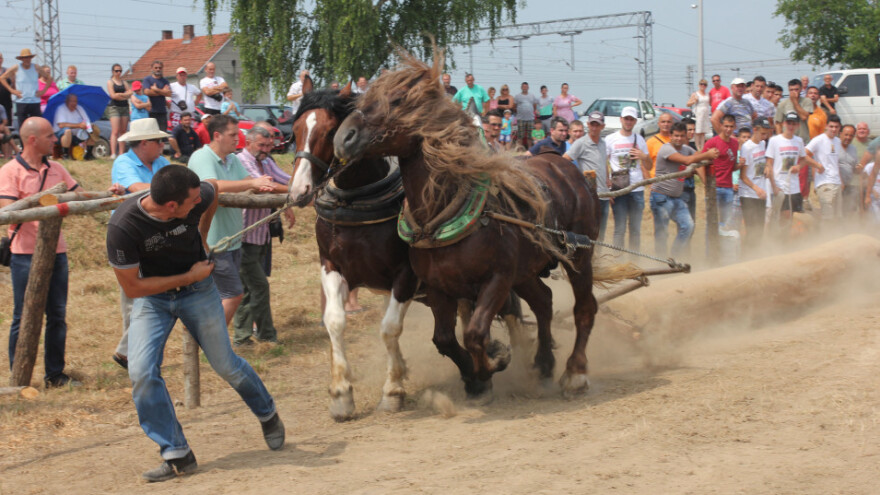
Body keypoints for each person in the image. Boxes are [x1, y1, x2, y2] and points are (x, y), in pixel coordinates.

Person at [106, 165, 285, 482]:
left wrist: (202, 232)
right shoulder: (124, 226)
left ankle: (267, 413)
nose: (196, 203)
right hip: (153, 298)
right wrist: (188, 276)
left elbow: (213, 188)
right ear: (172, 206)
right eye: (191, 203)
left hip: (199, 292)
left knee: (225, 363)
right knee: (141, 372)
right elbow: (133, 288)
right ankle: (176, 453)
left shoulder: (194, 195)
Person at [0, 117, 80, 388]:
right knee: (23, 315)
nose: (55, 140)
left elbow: (79, 194)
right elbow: (9, 210)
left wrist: (106, 193)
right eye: (50, 136)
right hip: (24, 254)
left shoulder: (57, 168)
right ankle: (18, 377)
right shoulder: (10, 171)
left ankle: (55, 375)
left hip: (57, 252)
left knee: (57, 314)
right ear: (32, 140)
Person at [187, 114, 277, 325]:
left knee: (223, 294)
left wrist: (259, 185)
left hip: (233, 241)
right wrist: (253, 184)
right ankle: (213, 338)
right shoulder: (202, 157)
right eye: (233, 134)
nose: (238, 139)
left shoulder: (233, 159)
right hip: (213, 242)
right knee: (233, 294)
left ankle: (213, 338)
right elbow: (212, 186)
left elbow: (247, 182)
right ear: (217, 135)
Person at [106, 118, 172, 369]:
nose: (162, 145)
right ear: (145, 143)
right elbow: (139, 189)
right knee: (135, 296)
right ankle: (129, 353)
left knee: (152, 294)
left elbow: (170, 184)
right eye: (159, 141)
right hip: (130, 236)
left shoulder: (161, 162)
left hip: (155, 234)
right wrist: (171, 190)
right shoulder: (124, 162)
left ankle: (131, 352)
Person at [233, 125, 295, 346]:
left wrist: (302, 182)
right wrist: (294, 192)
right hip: (243, 236)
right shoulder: (243, 160)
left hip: (260, 235)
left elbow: (285, 178)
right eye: (261, 145)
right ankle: (266, 335)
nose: (266, 149)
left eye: (269, 146)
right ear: (248, 143)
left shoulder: (267, 161)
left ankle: (242, 337)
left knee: (249, 288)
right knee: (258, 286)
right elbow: (264, 185)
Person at [650, 122, 719, 259]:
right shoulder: (666, 149)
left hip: (676, 197)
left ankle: (674, 258)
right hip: (661, 197)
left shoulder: (686, 148)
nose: (679, 139)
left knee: (688, 226)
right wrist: (707, 155)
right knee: (662, 232)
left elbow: (697, 158)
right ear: (670, 136)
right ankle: (660, 261)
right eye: (676, 136)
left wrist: (706, 181)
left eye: (682, 136)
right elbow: (688, 161)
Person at [605, 106, 651, 252]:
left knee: (635, 229)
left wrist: (643, 156)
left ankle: (634, 258)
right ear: (621, 119)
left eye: (631, 119)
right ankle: (618, 260)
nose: (628, 122)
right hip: (619, 188)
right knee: (620, 227)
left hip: (637, 188)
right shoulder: (610, 139)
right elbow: (603, 163)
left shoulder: (640, 139)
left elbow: (649, 166)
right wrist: (607, 187)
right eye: (626, 119)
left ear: (635, 121)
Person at [766, 111, 821, 223]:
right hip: (780, 185)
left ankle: (788, 238)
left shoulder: (798, 141)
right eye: (789, 123)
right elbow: (769, 165)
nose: (791, 126)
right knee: (783, 216)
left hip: (794, 186)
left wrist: (798, 167)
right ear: (784, 123)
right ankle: (781, 238)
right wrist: (774, 186)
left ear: (798, 125)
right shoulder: (774, 141)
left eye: (793, 124)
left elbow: (804, 159)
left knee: (793, 216)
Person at [563, 110, 610, 240]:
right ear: (588, 125)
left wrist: (607, 179)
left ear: (602, 126)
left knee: (601, 231)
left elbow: (603, 162)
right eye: (592, 124)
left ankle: (599, 257)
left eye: (597, 125)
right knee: (589, 230)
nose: (594, 127)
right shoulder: (581, 143)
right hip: (590, 195)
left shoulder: (603, 143)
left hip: (604, 195)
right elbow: (564, 160)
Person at [738, 118, 772, 253]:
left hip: (761, 192)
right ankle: (747, 255)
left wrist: (767, 167)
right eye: (763, 133)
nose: (765, 136)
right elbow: (743, 176)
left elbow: (765, 161)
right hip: (749, 194)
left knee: (759, 228)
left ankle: (756, 254)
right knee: (752, 228)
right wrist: (757, 189)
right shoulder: (747, 147)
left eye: (767, 133)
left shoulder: (763, 144)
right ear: (755, 130)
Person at [703, 114, 740, 229]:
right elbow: (701, 162)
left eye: (731, 126)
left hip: (728, 187)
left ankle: (723, 245)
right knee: (712, 220)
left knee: (726, 221)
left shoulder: (735, 144)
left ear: (735, 127)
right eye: (726, 126)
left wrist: (740, 165)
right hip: (715, 187)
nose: (728, 129)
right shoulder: (712, 142)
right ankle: (710, 247)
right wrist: (706, 183)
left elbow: (731, 166)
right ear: (720, 126)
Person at [806, 114, 842, 221]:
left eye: (836, 127)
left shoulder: (838, 141)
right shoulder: (819, 140)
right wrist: (817, 165)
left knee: (838, 217)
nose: (833, 129)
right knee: (828, 217)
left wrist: (841, 181)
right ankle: (826, 237)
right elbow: (804, 154)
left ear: (839, 128)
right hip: (824, 183)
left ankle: (836, 236)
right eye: (831, 126)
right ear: (826, 126)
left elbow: (836, 163)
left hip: (837, 182)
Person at [0, 49, 44, 124]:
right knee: (22, 125)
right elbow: (2, 78)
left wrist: (43, 91)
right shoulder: (16, 67)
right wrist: (12, 90)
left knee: (37, 124)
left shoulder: (36, 67)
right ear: (21, 59)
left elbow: (48, 78)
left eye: (28, 57)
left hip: (33, 100)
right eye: (25, 57)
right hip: (21, 102)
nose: (27, 59)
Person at [52, 94, 101, 158]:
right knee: (67, 131)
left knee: (93, 129)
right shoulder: (61, 108)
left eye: (75, 101)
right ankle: (65, 155)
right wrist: (79, 125)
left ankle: (89, 154)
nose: (74, 103)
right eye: (71, 101)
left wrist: (88, 125)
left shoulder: (79, 108)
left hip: (77, 134)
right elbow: (61, 125)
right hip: (60, 134)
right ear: (66, 101)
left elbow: (87, 121)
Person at [107, 63, 132, 158]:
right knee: (115, 131)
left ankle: (121, 153)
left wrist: (121, 95)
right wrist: (124, 95)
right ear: (113, 72)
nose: (119, 72)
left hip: (124, 107)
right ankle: (113, 153)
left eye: (120, 71)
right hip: (115, 107)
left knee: (123, 131)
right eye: (117, 71)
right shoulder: (110, 82)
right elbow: (113, 96)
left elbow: (130, 92)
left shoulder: (123, 82)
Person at [837, 124, 861, 215]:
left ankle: (848, 228)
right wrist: (841, 182)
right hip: (836, 186)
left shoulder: (853, 149)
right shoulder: (834, 147)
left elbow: (854, 168)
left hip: (848, 185)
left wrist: (858, 168)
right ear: (840, 134)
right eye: (846, 135)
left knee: (849, 211)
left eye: (851, 135)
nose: (848, 137)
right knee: (836, 212)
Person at [142, 60, 171, 132]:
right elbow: (146, 92)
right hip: (151, 111)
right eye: (156, 67)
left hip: (162, 111)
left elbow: (169, 93)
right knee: (152, 134)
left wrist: (156, 89)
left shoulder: (165, 81)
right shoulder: (147, 79)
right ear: (152, 68)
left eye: (160, 68)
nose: (158, 69)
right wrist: (162, 91)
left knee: (163, 133)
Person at [647, 112, 674, 178]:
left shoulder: (677, 139)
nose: (666, 124)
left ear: (672, 124)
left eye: (668, 122)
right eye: (663, 122)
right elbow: (644, 165)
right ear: (658, 124)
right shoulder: (651, 142)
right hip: (656, 180)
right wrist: (649, 183)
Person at [687, 78, 711, 150]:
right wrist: (694, 100)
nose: (703, 86)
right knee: (698, 131)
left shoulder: (707, 94)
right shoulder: (695, 94)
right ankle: (698, 147)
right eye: (701, 84)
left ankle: (702, 147)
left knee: (703, 132)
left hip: (705, 113)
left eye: (704, 84)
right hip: (698, 113)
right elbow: (688, 104)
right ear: (699, 85)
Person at [514, 82, 538, 149]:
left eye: (526, 87)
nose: (525, 88)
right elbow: (514, 106)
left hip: (530, 118)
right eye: (523, 86)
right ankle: (520, 148)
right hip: (521, 118)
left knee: (530, 136)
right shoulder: (517, 96)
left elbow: (535, 105)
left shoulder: (532, 96)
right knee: (520, 136)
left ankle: (530, 148)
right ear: (521, 87)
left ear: (528, 87)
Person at [0, 52, 13, 129]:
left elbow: (13, 85)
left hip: (6, 101)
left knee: (7, 124)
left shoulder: (8, 71)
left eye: (0, 58)